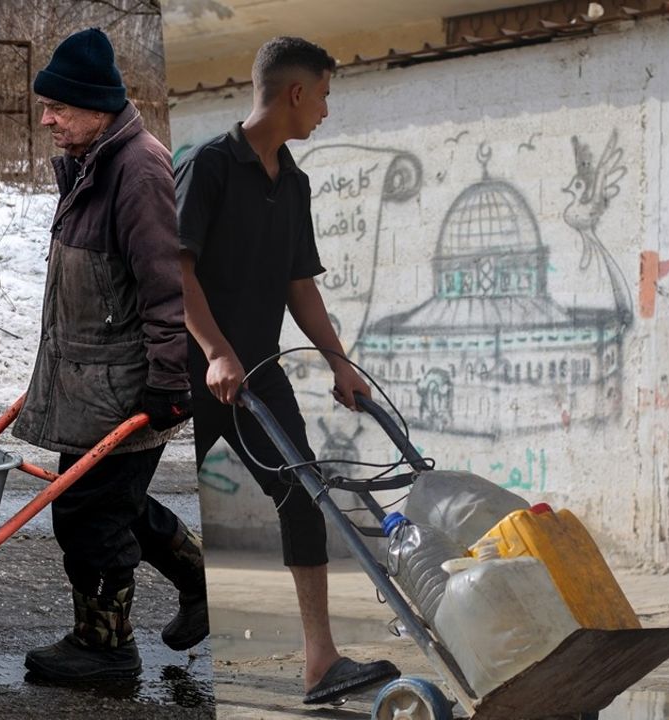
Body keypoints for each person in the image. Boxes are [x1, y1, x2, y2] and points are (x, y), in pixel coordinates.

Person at [174, 36, 400, 704]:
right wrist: (215, 351)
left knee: (304, 495)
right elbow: (176, 266)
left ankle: (320, 663)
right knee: (140, 496)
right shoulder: (210, 166)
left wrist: (340, 364)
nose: (326, 110)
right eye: (325, 94)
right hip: (196, 368)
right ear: (297, 92)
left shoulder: (293, 181)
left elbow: (300, 283)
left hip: (259, 373)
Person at [11, 28, 208, 682]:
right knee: (110, 503)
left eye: (59, 108)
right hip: (95, 379)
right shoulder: (92, 163)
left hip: (128, 383)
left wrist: (167, 381)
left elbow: (164, 283)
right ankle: (201, 583)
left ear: (97, 107)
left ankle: (105, 648)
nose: (47, 120)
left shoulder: (137, 170)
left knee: (89, 514)